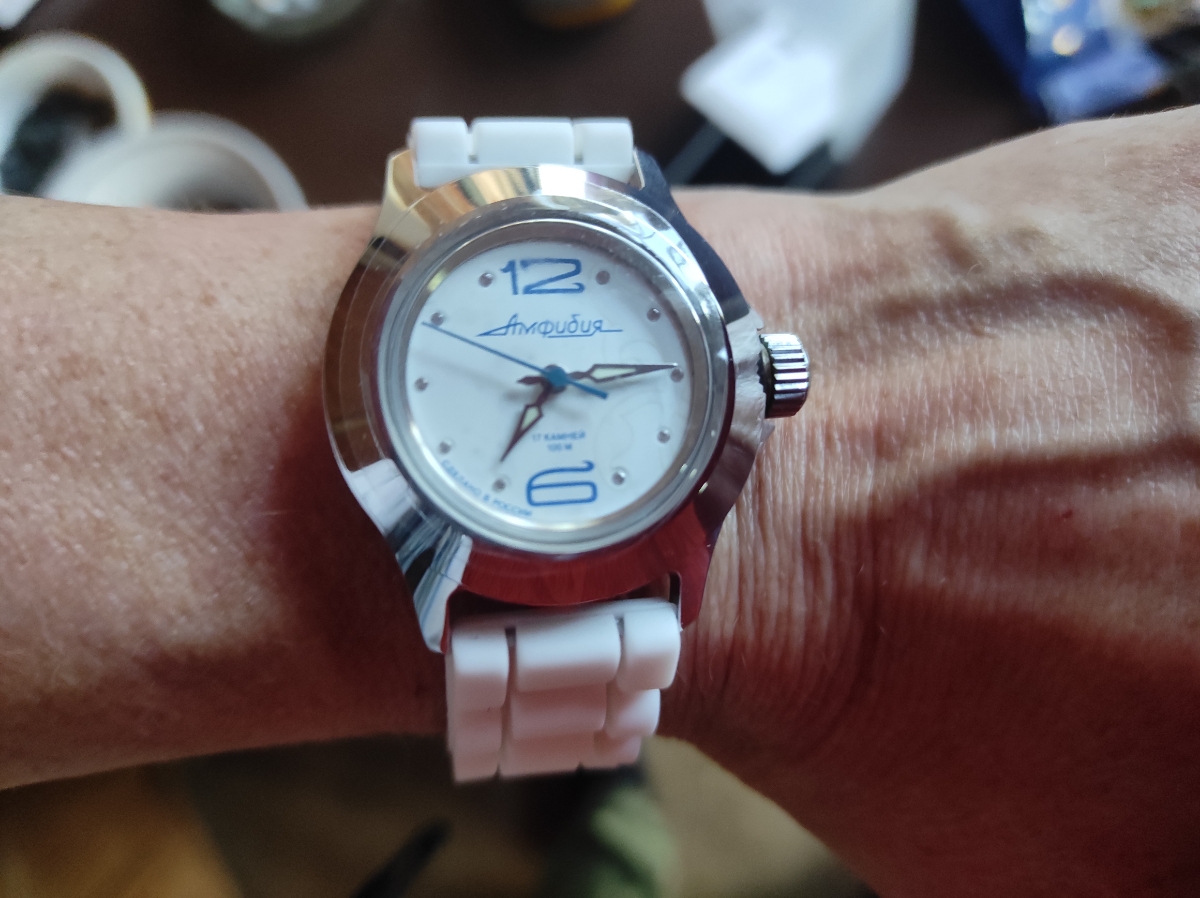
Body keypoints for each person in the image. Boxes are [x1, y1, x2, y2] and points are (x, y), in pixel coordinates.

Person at [1, 106, 1198, 896]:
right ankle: (596, 805)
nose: (556, 383)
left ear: (761, 376)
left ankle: (590, 792)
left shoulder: (719, 401)